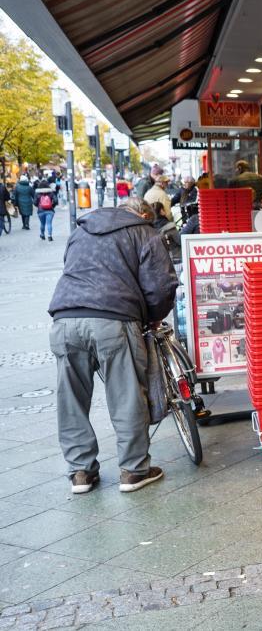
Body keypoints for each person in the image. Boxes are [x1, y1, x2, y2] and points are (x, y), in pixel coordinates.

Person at [48, 197, 177, 494]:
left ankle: (81, 472)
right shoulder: (144, 232)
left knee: (71, 400)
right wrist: (153, 318)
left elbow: (70, 266)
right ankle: (134, 471)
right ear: (144, 214)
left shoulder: (82, 229)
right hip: (114, 320)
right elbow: (162, 286)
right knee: (127, 395)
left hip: (65, 319)